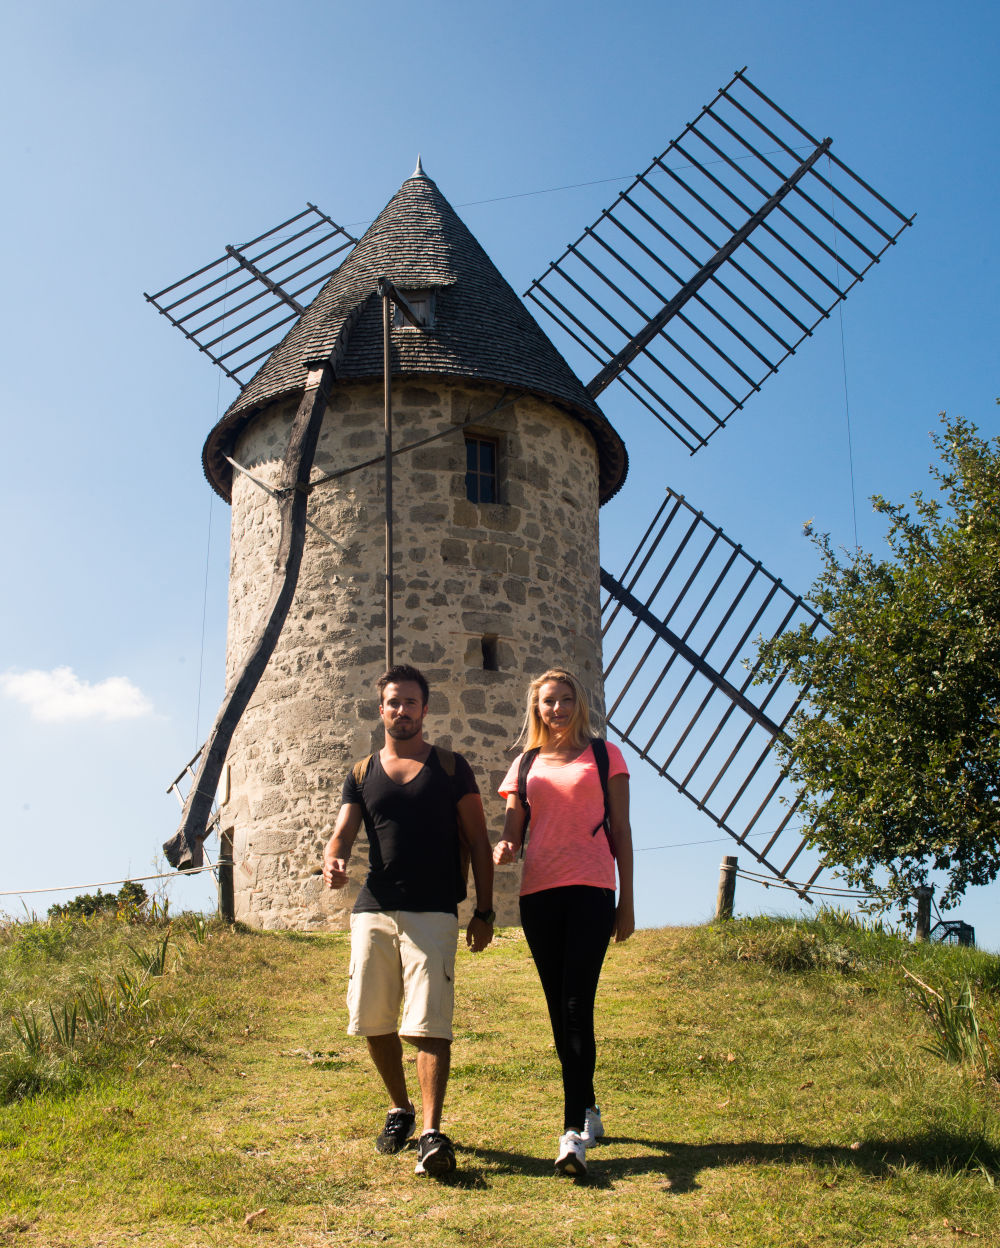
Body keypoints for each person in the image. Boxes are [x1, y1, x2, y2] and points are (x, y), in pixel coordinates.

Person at [322, 664, 496, 1178]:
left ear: (426, 708)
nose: (402, 711)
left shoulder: (450, 767)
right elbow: (342, 834)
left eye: (411, 702)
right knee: (372, 1017)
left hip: (434, 909)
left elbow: (480, 843)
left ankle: (432, 1132)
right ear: (382, 709)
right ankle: (400, 1107)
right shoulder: (361, 773)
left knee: (428, 1020)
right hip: (374, 906)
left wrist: (484, 909)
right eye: (393, 703)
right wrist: (333, 859)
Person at [494, 668, 634, 1179]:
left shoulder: (605, 756)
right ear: (536, 708)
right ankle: (590, 1106)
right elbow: (515, 830)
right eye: (549, 702)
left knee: (578, 1003)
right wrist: (505, 849)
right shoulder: (525, 765)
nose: (558, 709)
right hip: (539, 894)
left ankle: (572, 1130)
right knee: (559, 1009)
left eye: (567, 699)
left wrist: (628, 902)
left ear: (581, 703)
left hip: (592, 890)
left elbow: (621, 829)